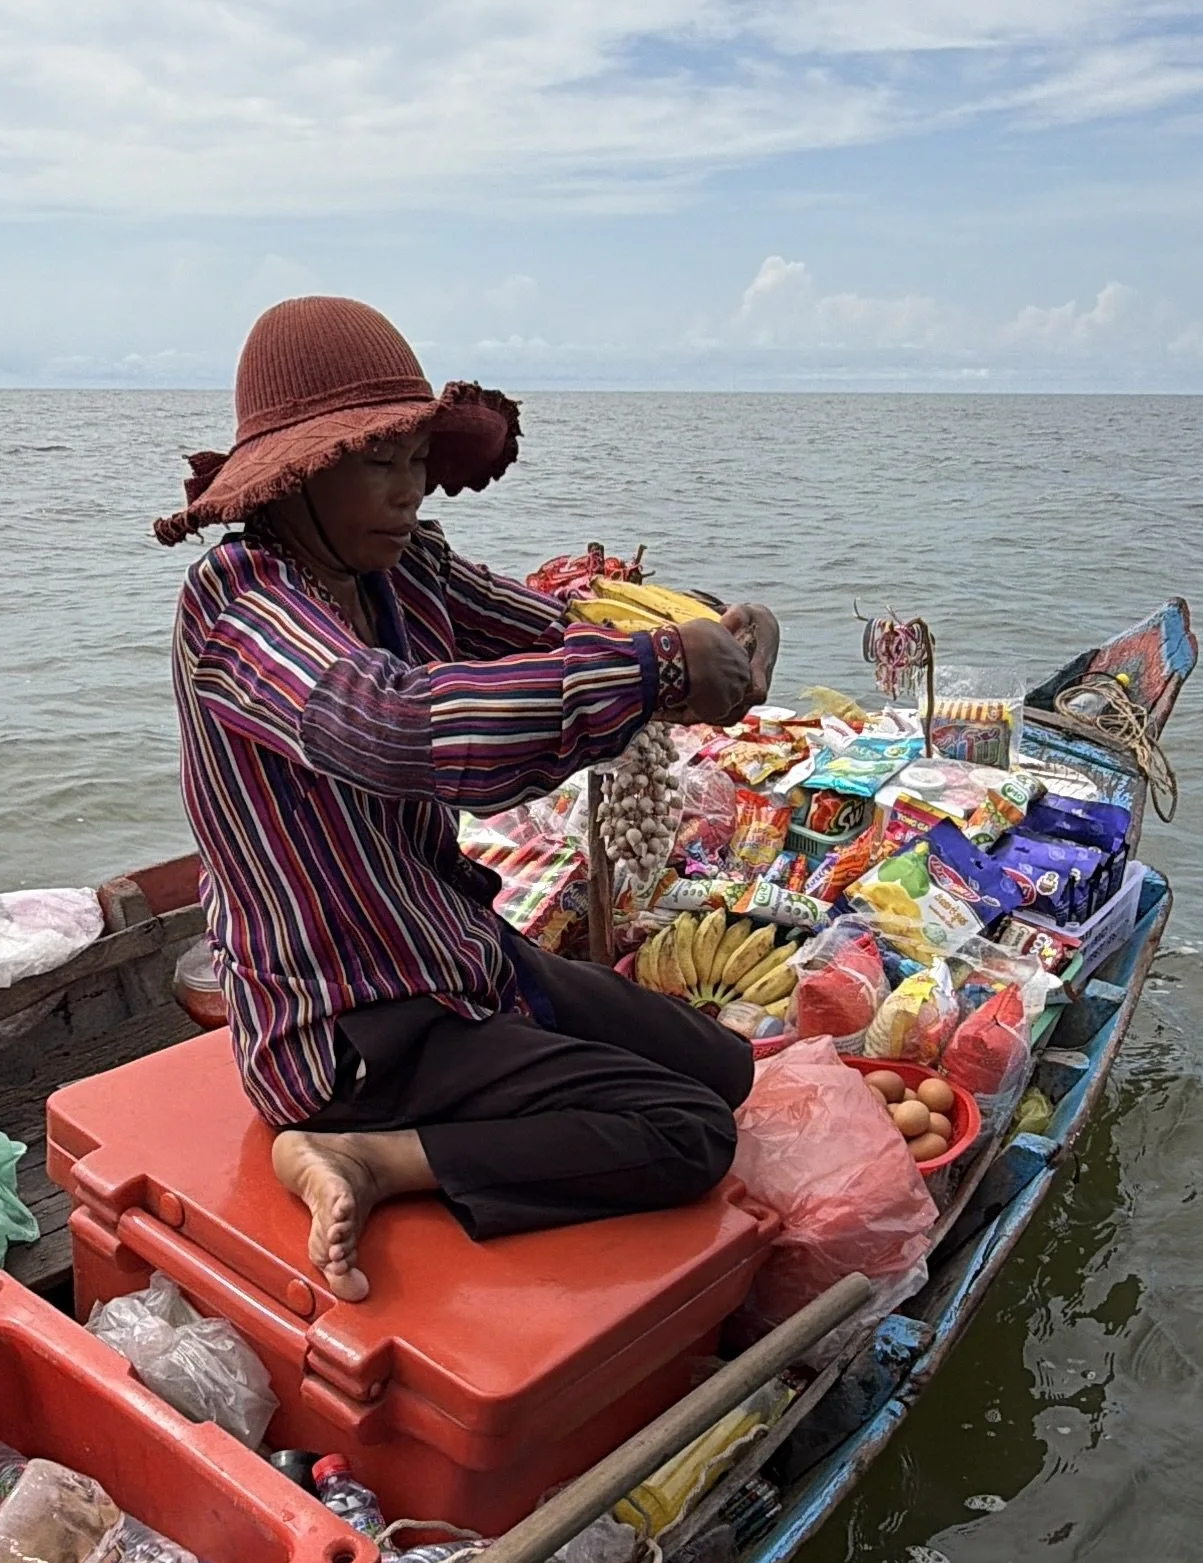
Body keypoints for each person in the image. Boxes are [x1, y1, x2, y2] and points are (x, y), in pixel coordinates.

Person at [157, 295, 782, 1299]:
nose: (407, 494)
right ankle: (364, 1155)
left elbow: (553, 630)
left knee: (724, 1069)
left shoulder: (407, 570)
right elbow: (393, 724)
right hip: (346, 1030)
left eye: (416, 460)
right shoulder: (239, 604)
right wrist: (657, 675)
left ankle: (452, 1104)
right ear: (301, 473)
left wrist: (710, 635)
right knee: (687, 1132)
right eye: (378, 465)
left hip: (451, 956)